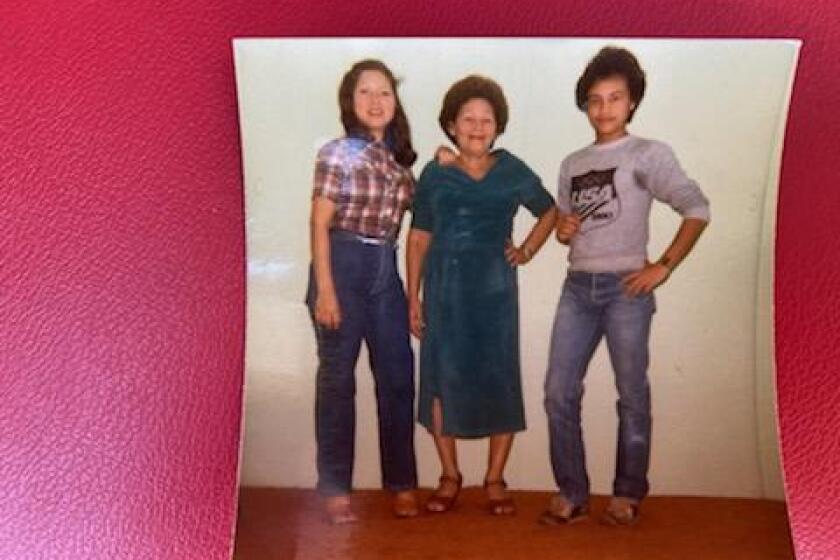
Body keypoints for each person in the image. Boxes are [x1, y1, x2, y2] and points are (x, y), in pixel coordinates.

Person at [540, 46, 710, 527]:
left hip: (626, 290)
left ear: (632, 102)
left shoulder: (647, 153)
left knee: (631, 393)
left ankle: (627, 493)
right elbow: (565, 223)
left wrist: (664, 266)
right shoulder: (573, 161)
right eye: (595, 99)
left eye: (615, 98)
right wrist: (564, 230)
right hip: (577, 287)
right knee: (557, 392)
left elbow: (696, 208)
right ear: (585, 105)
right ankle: (573, 493)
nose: (605, 109)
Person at [407, 75, 558, 516]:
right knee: (439, 381)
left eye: (485, 119)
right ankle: (450, 475)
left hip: (495, 292)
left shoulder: (512, 168)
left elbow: (549, 210)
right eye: (467, 119)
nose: (477, 126)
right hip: (444, 290)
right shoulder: (436, 171)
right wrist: (412, 298)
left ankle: (494, 478)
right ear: (451, 125)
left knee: (500, 380)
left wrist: (527, 250)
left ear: (498, 125)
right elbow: (417, 238)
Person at [306, 59, 419, 524]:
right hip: (342, 264)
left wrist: (446, 162)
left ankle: (402, 484)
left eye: (385, 92)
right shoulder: (337, 153)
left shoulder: (398, 163)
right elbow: (318, 222)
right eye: (365, 93)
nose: (376, 101)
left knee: (396, 377)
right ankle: (334, 489)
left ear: (395, 101)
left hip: (384, 270)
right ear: (350, 103)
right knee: (337, 383)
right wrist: (326, 291)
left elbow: (421, 209)